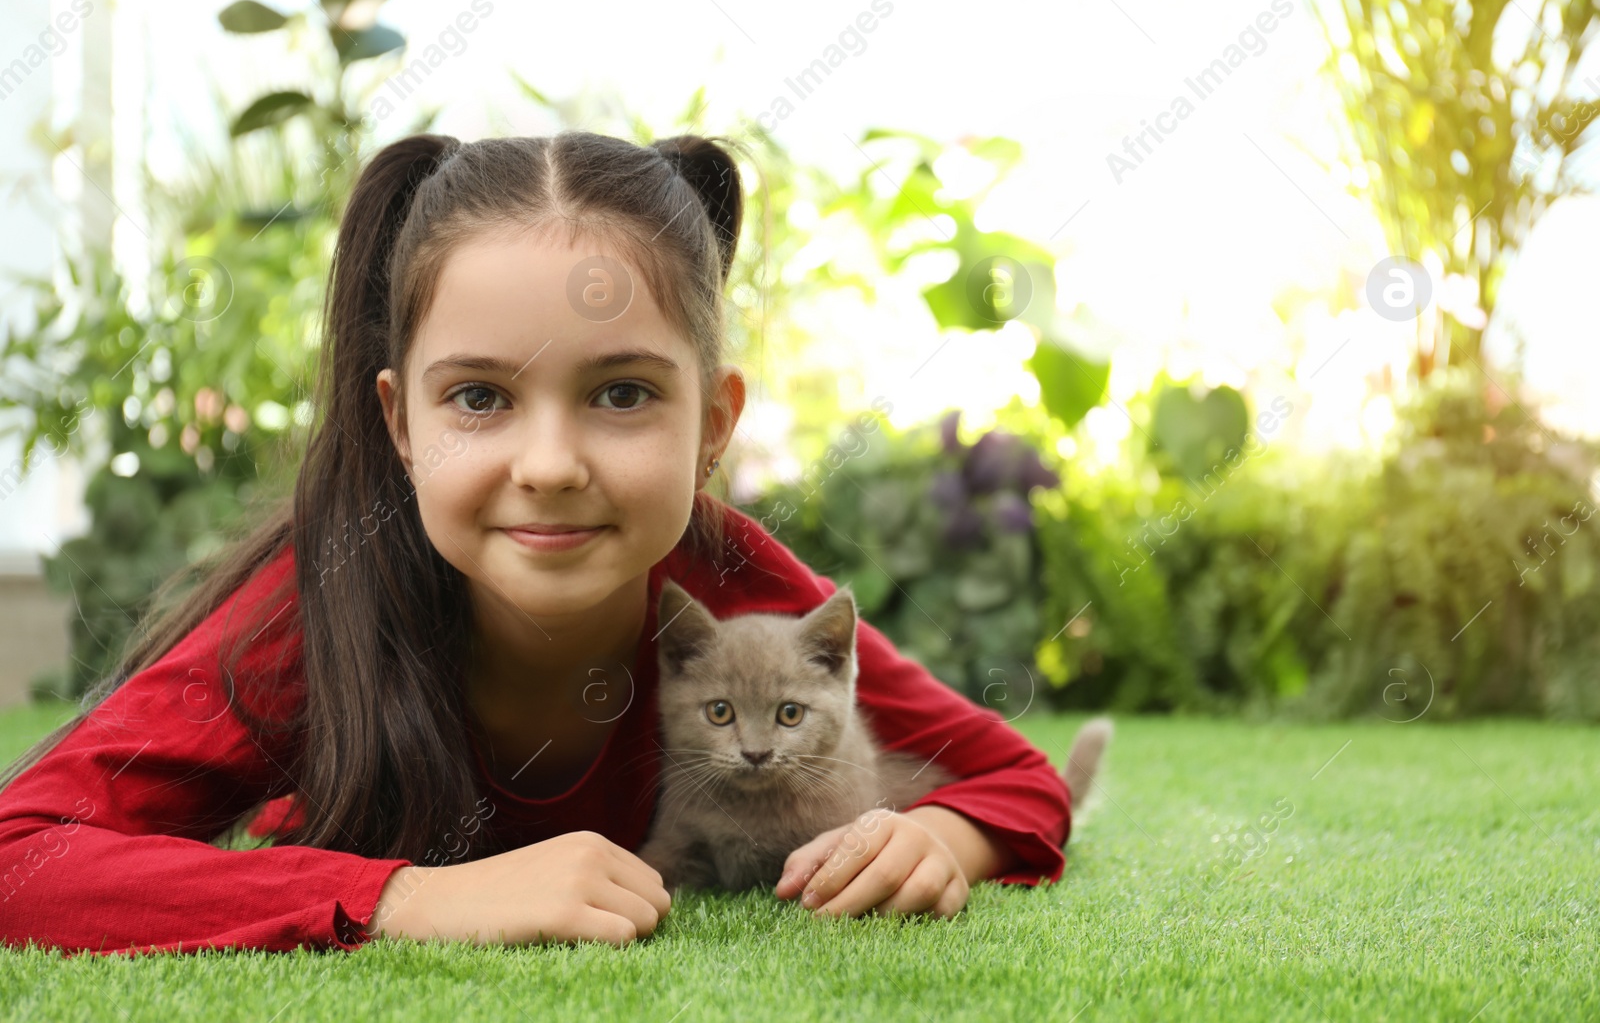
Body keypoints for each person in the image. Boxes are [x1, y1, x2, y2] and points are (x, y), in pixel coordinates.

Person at [0, 131, 1073, 956]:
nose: (550, 461)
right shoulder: (319, 600)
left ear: (712, 426)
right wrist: (408, 894)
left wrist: (935, 839)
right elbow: (20, 854)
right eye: (478, 394)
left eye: (620, 392)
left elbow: (1015, 781)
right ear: (400, 425)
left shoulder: (731, 584)